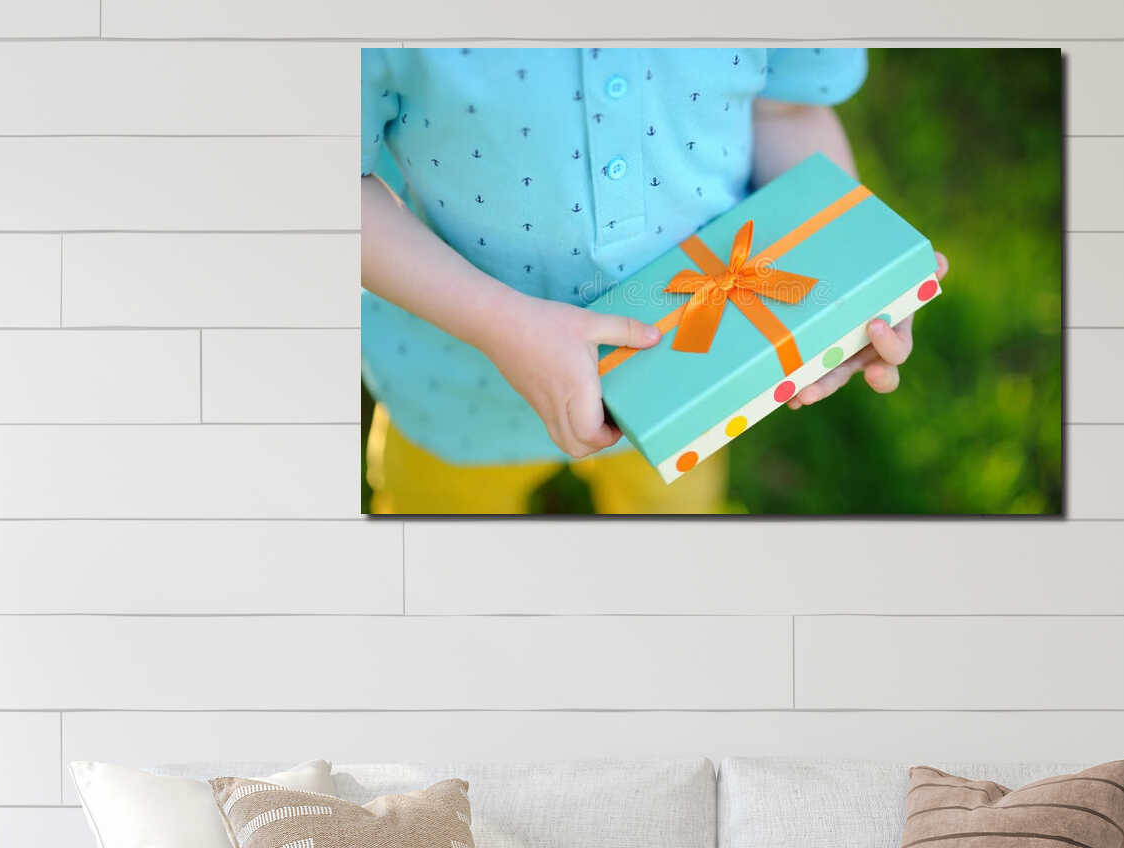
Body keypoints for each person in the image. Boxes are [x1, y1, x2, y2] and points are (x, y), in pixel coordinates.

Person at [359, 47, 944, 514]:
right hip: (455, 382)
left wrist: (850, 284)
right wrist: (497, 324)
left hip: (693, 374)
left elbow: (787, 109)